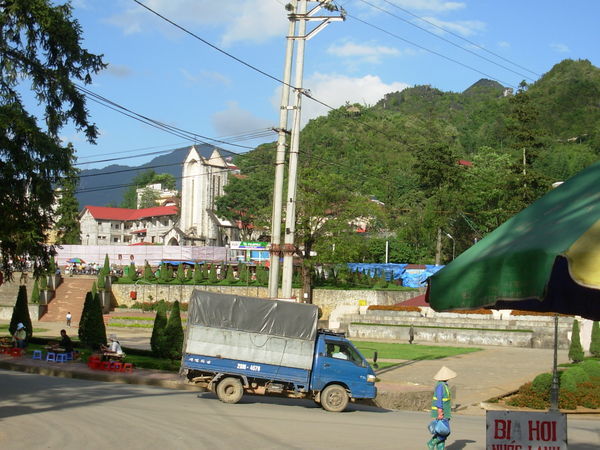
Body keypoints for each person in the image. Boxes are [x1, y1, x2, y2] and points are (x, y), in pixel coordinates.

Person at [427, 366, 456, 450]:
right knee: (445, 432)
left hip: (446, 412)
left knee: (441, 430)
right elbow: (439, 400)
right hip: (442, 412)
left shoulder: (444, 385)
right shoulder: (441, 386)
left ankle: (440, 447)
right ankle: (431, 442)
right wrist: (440, 412)